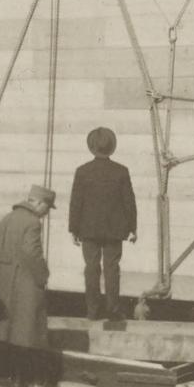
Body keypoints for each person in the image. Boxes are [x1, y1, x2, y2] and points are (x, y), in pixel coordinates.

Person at [68, 126, 137, 323]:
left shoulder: (82, 171)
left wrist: (73, 229)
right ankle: (113, 311)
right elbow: (129, 202)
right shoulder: (121, 171)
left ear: (91, 147)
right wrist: (133, 228)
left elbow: (76, 202)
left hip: (88, 229)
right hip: (115, 230)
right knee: (112, 268)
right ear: (112, 147)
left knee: (91, 268)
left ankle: (92, 311)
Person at [0, 184, 56, 349]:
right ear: (39, 203)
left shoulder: (7, 218)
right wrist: (43, 275)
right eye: (48, 207)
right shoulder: (33, 222)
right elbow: (32, 253)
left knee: (3, 332)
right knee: (26, 335)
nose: (47, 213)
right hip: (23, 285)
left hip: (3, 283)